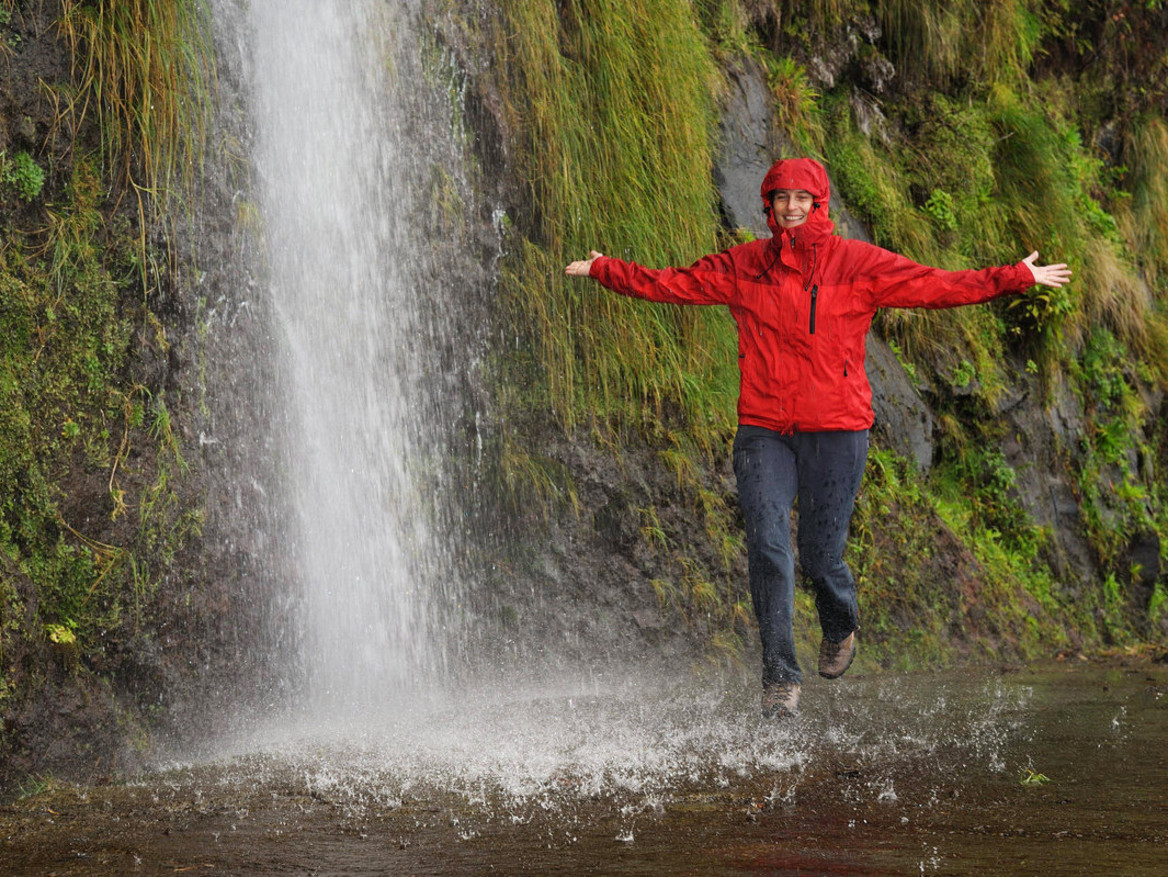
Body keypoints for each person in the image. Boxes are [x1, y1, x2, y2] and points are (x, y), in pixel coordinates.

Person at [565, 157, 1072, 718]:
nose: (791, 207)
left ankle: (840, 622)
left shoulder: (856, 263)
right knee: (767, 544)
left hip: (837, 431)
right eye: (781, 198)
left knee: (819, 556)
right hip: (765, 430)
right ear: (769, 205)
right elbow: (676, 283)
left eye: (802, 198)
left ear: (820, 203)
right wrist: (607, 270)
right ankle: (780, 675)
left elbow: (935, 286)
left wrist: (1014, 276)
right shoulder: (747, 266)